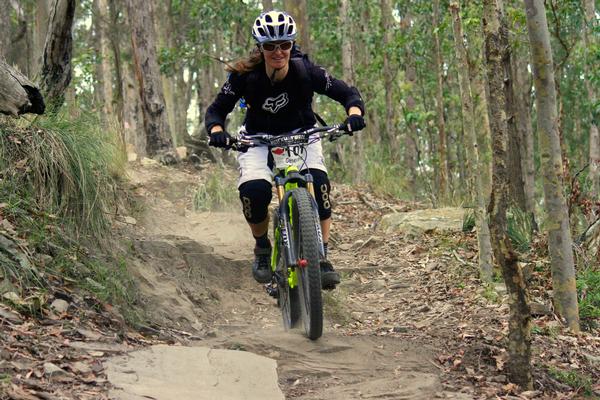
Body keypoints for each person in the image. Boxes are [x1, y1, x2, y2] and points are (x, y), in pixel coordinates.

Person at [205, 10, 366, 289]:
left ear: (292, 45)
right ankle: (262, 248)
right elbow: (217, 110)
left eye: (284, 45)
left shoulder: (307, 71)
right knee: (254, 192)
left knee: (320, 184)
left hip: (302, 134)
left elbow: (347, 93)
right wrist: (217, 132)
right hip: (257, 139)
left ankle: (322, 257)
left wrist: (353, 114)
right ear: (260, 47)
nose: (278, 52)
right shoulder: (245, 77)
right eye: (270, 46)